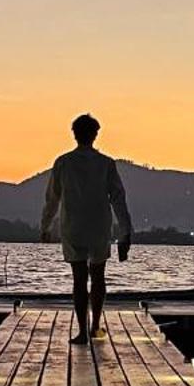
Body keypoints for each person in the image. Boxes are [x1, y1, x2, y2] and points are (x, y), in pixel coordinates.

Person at [40, 114, 133, 344]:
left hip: (72, 226)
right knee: (98, 276)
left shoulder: (63, 162)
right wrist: (125, 231)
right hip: (99, 226)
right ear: (95, 134)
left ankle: (82, 331)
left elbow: (52, 198)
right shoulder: (106, 163)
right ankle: (95, 326)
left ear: (74, 134)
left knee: (78, 279)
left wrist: (46, 226)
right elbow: (118, 199)